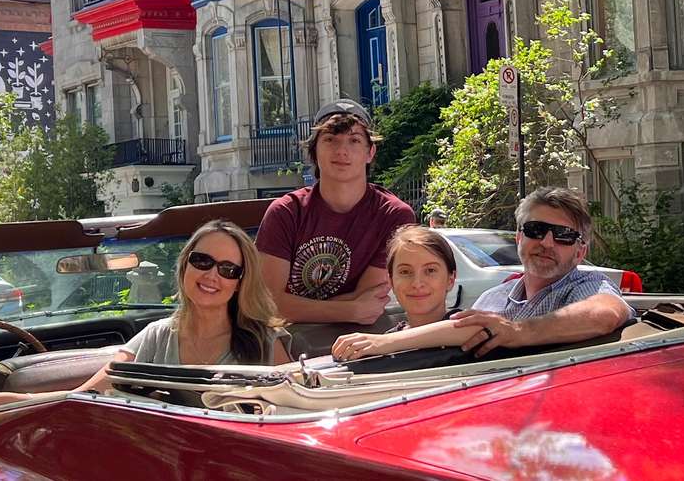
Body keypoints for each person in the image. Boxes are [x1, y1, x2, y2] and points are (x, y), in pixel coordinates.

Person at [0, 220, 287, 415]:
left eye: (228, 269)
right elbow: (79, 398)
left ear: (241, 283)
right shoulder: (155, 337)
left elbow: (295, 418)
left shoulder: (263, 342)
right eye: (203, 262)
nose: (213, 276)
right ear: (184, 266)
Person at [327, 187, 631, 361]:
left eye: (563, 235)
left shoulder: (587, 285)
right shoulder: (492, 298)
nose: (546, 242)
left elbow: (605, 313)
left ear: (580, 251)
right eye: (536, 230)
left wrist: (517, 332)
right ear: (519, 238)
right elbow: (462, 333)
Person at [254, 100, 417, 326]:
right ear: (314, 151)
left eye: (354, 140)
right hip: (286, 342)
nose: (342, 150)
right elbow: (267, 304)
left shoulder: (394, 216)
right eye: (330, 139)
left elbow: (369, 301)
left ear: (370, 152)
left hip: (361, 341)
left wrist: (293, 307)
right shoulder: (285, 212)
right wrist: (349, 310)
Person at [330, 226, 460, 360]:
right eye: (405, 272)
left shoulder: (471, 332)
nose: (417, 283)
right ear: (391, 281)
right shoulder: (377, 349)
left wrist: (385, 342)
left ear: (450, 279)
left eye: (430, 270)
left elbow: (469, 329)